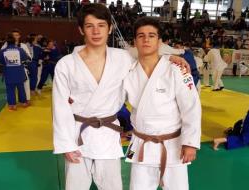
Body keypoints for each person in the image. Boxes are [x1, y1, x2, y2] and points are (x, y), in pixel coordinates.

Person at [53, 4, 190, 190]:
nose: (96, 31)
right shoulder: (66, 64)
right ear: (80, 29)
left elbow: (148, 58)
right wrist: (65, 144)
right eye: (89, 26)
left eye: (101, 25)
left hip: (108, 136)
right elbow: (60, 107)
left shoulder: (122, 58)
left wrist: (170, 59)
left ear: (109, 28)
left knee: (112, 186)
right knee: (75, 186)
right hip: (77, 135)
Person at [123, 17, 201, 190]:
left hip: (173, 145)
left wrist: (190, 143)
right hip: (140, 143)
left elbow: (191, 107)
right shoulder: (127, 69)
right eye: (141, 36)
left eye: (151, 35)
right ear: (134, 41)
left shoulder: (176, 68)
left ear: (159, 41)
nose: (146, 39)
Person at [0, 33, 30, 110]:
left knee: (10, 89)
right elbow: (25, 58)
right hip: (19, 73)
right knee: (21, 88)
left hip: (9, 73)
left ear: (7, 42)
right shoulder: (20, 50)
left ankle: (12, 105)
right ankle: (23, 102)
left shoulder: (2, 51)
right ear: (15, 42)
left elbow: (2, 62)